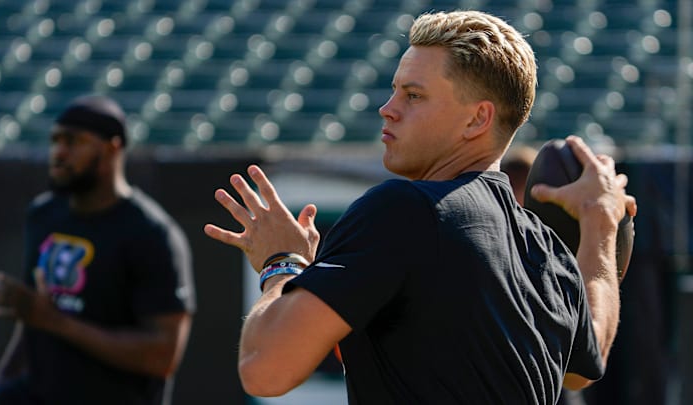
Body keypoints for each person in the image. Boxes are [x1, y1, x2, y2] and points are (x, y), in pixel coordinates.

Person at [204, 10, 636, 404]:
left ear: (477, 119)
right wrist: (601, 227)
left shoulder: (404, 210)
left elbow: (264, 370)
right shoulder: (546, 248)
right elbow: (583, 363)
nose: (387, 109)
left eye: (413, 95)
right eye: (394, 91)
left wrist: (282, 263)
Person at [0, 95, 196, 405]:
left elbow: (163, 355)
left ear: (112, 148)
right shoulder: (44, 214)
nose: (59, 152)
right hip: (40, 393)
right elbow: (33, 319)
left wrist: (55, 321)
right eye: (54, 140)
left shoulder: (152, 233)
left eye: (73, 141)